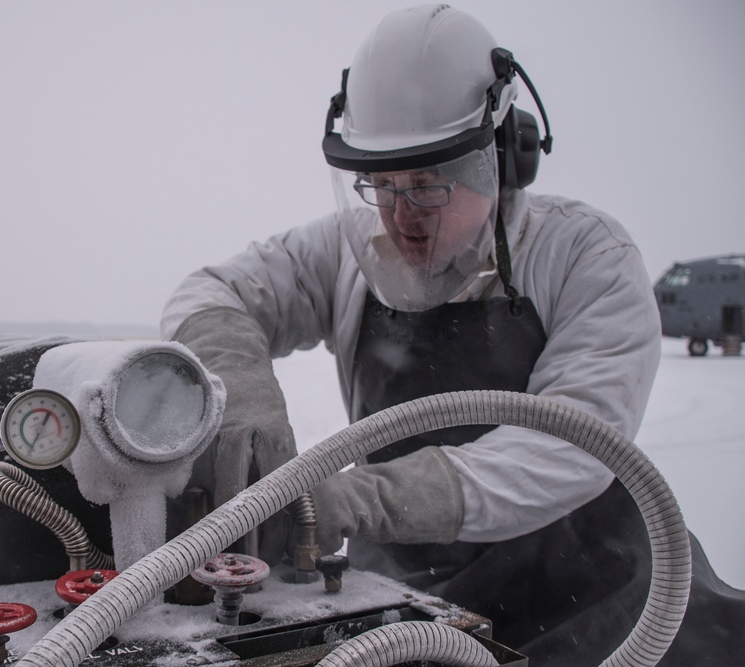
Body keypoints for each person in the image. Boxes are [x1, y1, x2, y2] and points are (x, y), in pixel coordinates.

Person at [161, 5, 745, 665]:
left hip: (595, 590)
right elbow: (212, 291)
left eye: (428, 186)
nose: (401, 216)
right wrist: (238, 380)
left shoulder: (587, 256)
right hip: (414, 594)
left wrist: (363, 496)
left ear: (501, 158)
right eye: (380, 185)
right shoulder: (353, 256)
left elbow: (571, 443)